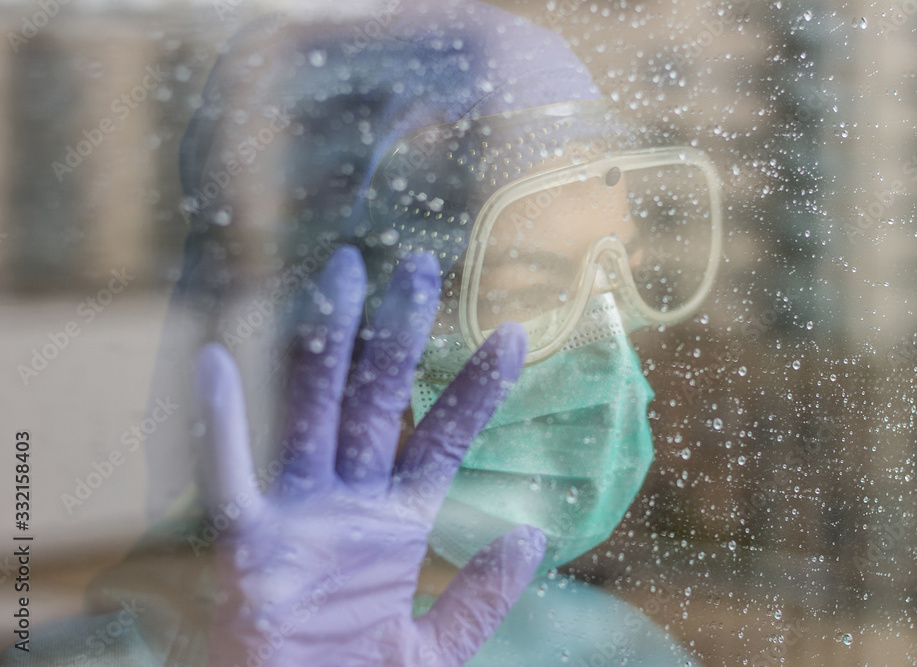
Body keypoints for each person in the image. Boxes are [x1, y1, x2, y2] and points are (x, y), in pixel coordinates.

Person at [2, 1, 720, 664]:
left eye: (619, 273)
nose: (606, 347)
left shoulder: (609, 648)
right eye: (536, 288)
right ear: (335, 330)